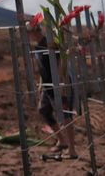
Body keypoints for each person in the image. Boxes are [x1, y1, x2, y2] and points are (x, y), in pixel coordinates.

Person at [26, 13, 78, 159]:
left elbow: (61, 61)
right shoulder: (38, 48)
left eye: (29, 32)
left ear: (36, 30)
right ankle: (62, 141)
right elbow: (44, 68)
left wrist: (62, 82)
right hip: (48, 86)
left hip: (60, 83)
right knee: (43, 110)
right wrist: (42, 85)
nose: (27, 35)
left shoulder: (50, 44)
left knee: (65, 116)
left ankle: (72, 150)